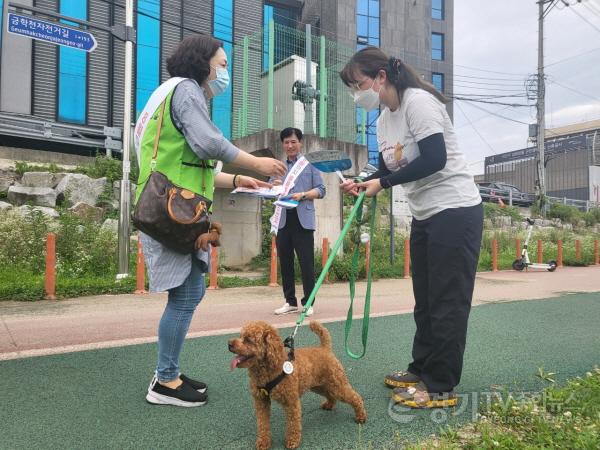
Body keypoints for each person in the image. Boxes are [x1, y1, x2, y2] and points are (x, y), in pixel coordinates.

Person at [136, 35, 287, 408]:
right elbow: (208, 144)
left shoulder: (167, 94)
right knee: (185, 294)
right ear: (201, 63)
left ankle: (167, 372)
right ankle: (164, 380)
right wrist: (256, 164)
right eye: (222, 64)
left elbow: (193, 164)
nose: (225, 71)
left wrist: (237, 179)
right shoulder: (187, 90)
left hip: (172, 207)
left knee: (190, 292)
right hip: (171, 213)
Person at [339, 47, 483, 408]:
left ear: (381, 77)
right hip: (425, 214)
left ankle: (440, 386)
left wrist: (382, 185)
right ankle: (421, 367)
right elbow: (390, 168)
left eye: (359, 85)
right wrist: (365, 180)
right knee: (426, 299)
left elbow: (436, 158)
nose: (357, 94)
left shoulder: (418, 103)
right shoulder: (383, 120)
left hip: (455, 210)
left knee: (447, 301)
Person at [271, 128, 326, 316]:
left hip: (303, 220)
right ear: (282, 144)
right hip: (283, 220)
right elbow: (272, 188)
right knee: (285, 263)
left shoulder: (309, 164)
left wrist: (303, 195)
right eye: (286, 142)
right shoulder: (278, 166)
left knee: (306, 263)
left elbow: (321, 190)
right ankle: (290, 302)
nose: (290, 145)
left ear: (300, 142)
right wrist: (272, 188)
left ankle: (308, 302)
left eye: (293, 142)